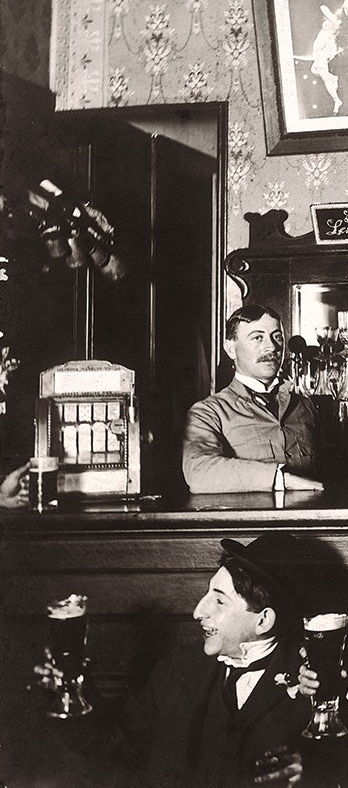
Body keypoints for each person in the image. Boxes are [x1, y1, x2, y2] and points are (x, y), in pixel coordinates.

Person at [36, 533, 313, 786]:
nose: (197, 611)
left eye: (219, 601)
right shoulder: (180, 667)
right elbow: (114, 742)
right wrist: (69, 692)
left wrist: (312, 773)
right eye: (207, 595)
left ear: (263, 620)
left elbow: (342, 766)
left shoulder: (310, 682)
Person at [183, 304, 323, 493]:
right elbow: (199, 471)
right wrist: (281, 480)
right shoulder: (209, 412)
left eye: (277, 337)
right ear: (231, 349)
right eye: (257, 338)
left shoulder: (304, 405)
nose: (272, 347)